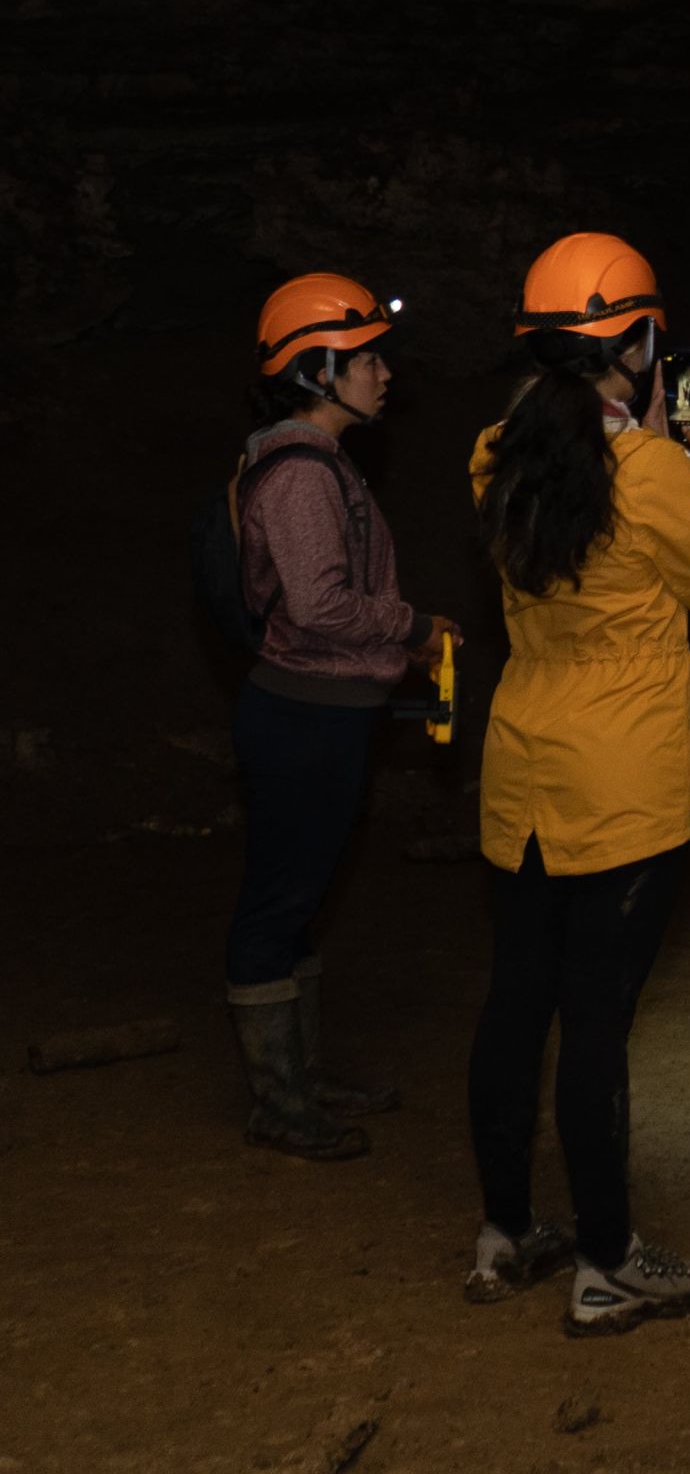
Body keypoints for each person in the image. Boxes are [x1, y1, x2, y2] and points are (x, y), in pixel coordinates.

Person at [463, 232, 690, 1333]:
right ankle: (604, 1264)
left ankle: (506, 1232)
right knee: (595, 1023)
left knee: (515, 999)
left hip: (526, 769)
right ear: (635, 340)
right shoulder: (649, 472)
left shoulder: (495, 452)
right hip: (624, 775)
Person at [225, 272, 458, 1161]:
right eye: (367, 358)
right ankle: (279, 1102)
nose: (386, 373)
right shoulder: (299, 475)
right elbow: (321, 607)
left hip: (322, 711)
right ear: (318, 369)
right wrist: (415, 625)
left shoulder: (316, 464)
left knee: (302, 895)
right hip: (302, 717)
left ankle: (302, 1077)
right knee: (279, 899)